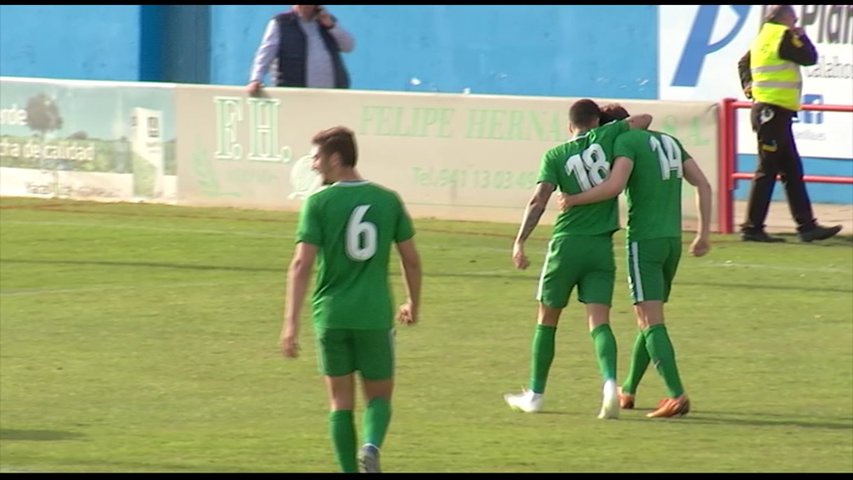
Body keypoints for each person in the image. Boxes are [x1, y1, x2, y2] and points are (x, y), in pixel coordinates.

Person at [279, 126, 422, 473]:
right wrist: (412, 302)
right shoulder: (388, 200)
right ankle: (370, 447)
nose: (313, 166)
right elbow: (411, 259)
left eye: (316, 158)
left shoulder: (318, 203)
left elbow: (301, 264)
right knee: (379, 396)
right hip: (374, 315)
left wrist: (290, 324)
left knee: (339, 402)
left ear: (336, 158)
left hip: (330, 316)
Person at [557, 103, 713, 418]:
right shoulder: (668, 140)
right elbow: (703, 184)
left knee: (650, 320)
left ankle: (676, 395)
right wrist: (704, 233)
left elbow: (613, 187)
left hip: (645, 241)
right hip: (673, 240)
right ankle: (627, 390)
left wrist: (572, 199)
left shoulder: (626, 143)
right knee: (650, 317)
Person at [504, 99, 652, 419]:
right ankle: (610, 385)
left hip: (566, 245)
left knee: (547, 319)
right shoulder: (608, 136)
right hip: (601, 247)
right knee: (600, 322)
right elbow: (644, 118)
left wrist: (520, 241)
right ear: (595, 121)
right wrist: (613, 127)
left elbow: (539, 200)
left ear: (570, 125)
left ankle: (535, 394)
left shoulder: (555, 155)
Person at [737, 4, 842, 243]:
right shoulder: (783, 36)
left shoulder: (763, 37)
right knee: (767, 170)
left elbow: (743, 64)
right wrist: (802, 37)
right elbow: (809, 58)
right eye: (793, 19)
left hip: (773, 112)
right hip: (772, 114)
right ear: (787, 18)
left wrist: (748, 86)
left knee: (792, 170)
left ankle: (806, 227)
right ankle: (751, 228)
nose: (795, 23)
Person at [248, 5, 354, 95]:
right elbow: (265, 54)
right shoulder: (281, 23)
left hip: (331, 94)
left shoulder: (328, 21)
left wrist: (330, 26)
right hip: (295, 95)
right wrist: (256, 79)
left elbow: (348, 46)